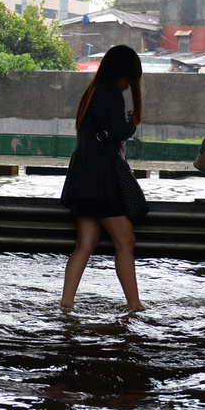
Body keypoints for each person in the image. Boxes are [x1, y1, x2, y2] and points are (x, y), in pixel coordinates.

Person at [59, 45, 145, 312]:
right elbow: (119, 132)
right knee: (125, 241)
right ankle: (134, 304)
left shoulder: (93, 91)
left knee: (85, 243)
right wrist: (131, 124)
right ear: (127, 72)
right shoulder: (112, 94)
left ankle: (66, 303)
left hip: (82, 179)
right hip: (103, 181)